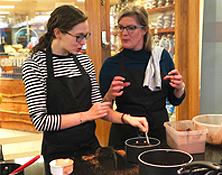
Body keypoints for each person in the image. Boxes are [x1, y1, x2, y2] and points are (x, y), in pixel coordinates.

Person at [22, 5, 148, 175]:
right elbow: (41, 121)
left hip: (90, 148)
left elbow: (99, 109)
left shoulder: (84, 61)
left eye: (86, 36)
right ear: (57, 33)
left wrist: (128, 118)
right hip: (58, 155)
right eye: (78, 37)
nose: (83, 42)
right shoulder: (35, 65)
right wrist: (86, 115)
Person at [99, 5, 185, 150]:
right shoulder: (111, 64)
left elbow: (174, 100)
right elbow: (101, 108)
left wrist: (179, 87)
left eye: (131, 28)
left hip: (158, 131)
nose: (124, 33)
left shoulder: (161, 58)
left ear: (144, 30)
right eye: (120, 27)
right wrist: (109, 95)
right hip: (125, 134)